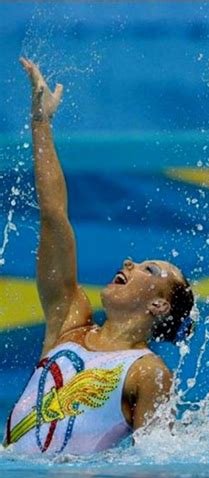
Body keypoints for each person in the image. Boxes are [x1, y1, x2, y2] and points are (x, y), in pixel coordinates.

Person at [3, 58, 194, 455]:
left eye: (149, 269)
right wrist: (41, 125)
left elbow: (158, 470)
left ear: (159, 304)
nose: (129, 264)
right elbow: (54, 218)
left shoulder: (148, 372)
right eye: (135, 262)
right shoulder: (68, 322)